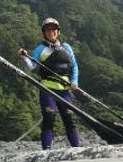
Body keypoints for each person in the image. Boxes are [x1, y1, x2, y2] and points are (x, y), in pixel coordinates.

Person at [18, 17, 81, 150]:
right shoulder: (40, 49)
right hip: (48, 90)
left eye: (53, 29)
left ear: (58, 32)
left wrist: (74, 81)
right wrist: (24, 56)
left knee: (69, 119)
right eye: (47, 30)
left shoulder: (67, 47)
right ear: (44, 33)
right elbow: (32, 67)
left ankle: (77, 148)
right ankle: (46, 150)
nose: (51, 31)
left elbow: (74, 66)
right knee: (49, 117)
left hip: (65, 90)